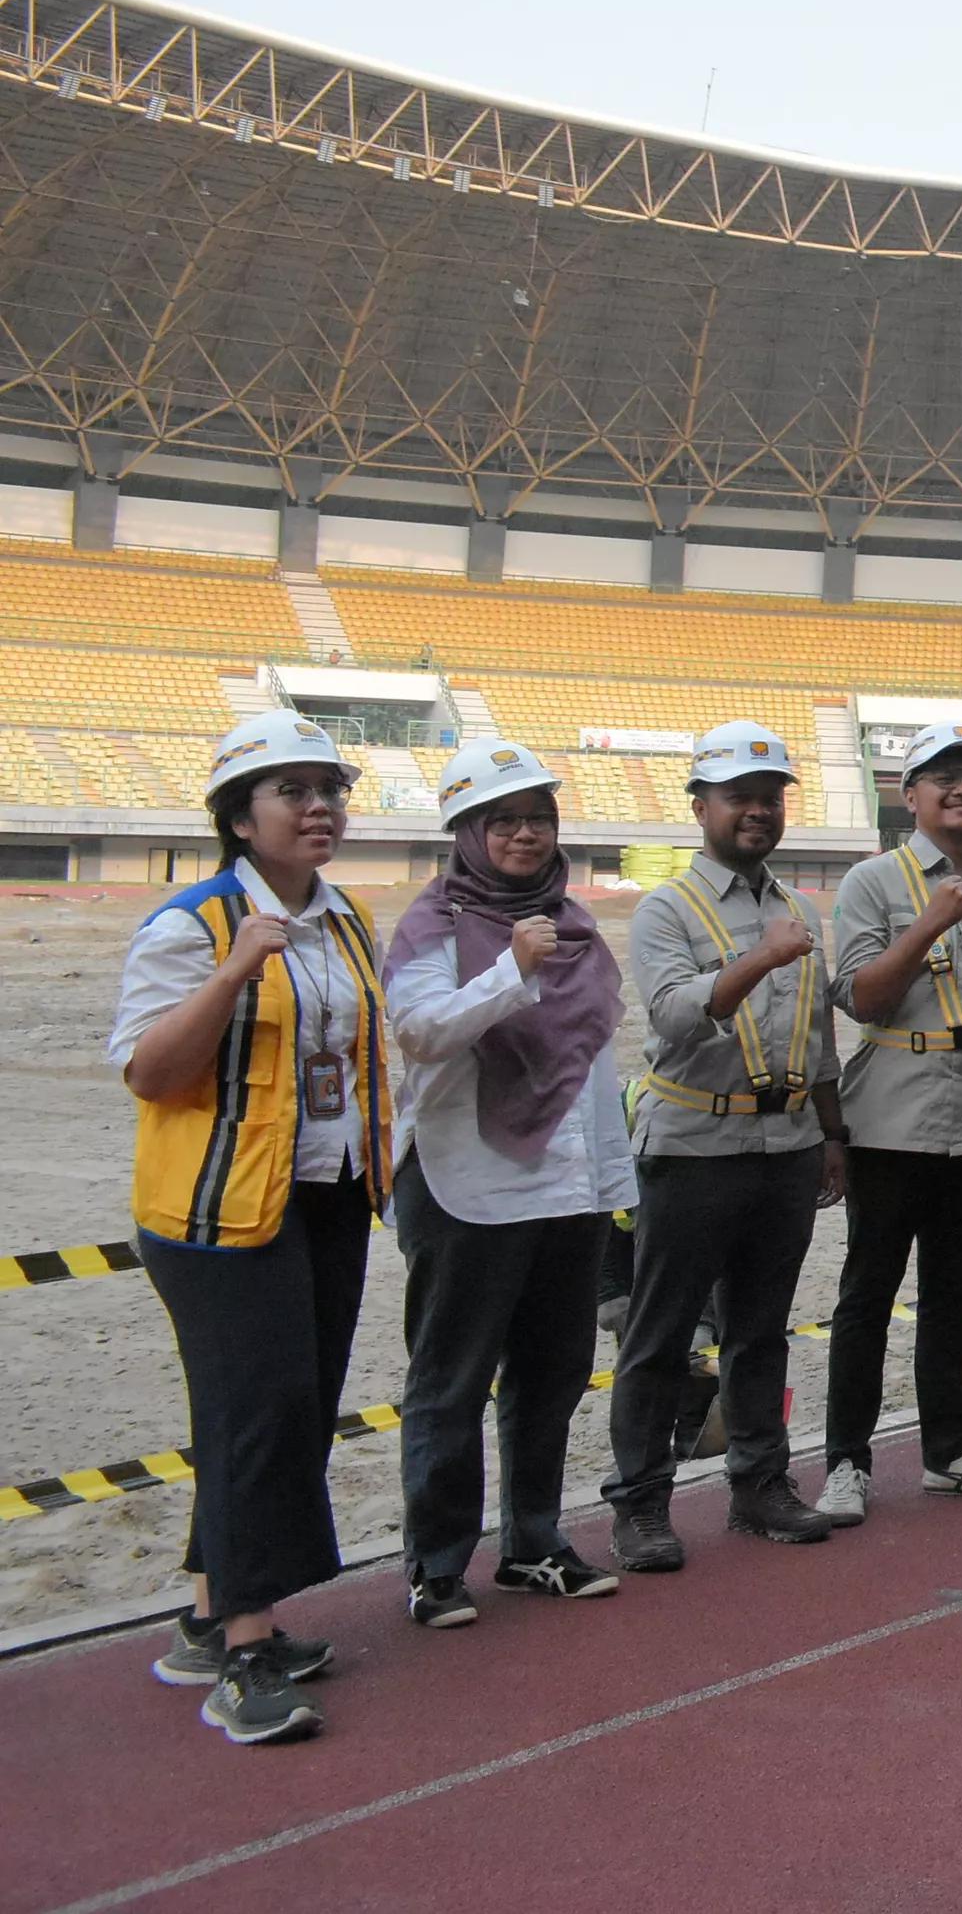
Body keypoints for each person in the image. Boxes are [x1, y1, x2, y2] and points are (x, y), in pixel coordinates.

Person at [111, 712, 388, 1746]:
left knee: (294, 1410)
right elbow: (146, 1069)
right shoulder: (193, 924)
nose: (321, 807)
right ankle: (245, 1646)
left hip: (322, 1195)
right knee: (257, 1412)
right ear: (239, 816)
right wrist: (234, 971)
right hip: (215, 1211)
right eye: (295, 791)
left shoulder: (346, 917)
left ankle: (201, 1615)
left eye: (331, 789)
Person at [385, 741, 636, 1630]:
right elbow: (417, 1031)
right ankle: (437, 1565)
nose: (526, 834)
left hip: (565, 1191)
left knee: (551, 1374)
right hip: (468, 1183)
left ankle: (533, 1542)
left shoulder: (572, 923)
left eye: (539, 817)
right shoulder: (435, 927)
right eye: (505, 820)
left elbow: (591, 1066)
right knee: (449, 1379)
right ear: (466, 832)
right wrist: (509, 973)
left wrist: (613, 1177)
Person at [603, 720, 845, 1569]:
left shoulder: (795, 906)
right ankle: (638, 1503)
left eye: (770, 796)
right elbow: (672, 1014)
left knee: (761, 1328)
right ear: (700, 804)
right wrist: (760, 957)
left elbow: (815, 1034)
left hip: (784, 1143)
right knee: (661, 1332)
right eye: (739, 796)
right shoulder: (668, 907)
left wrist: (830, 1131)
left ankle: (759, 1484)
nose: (757, 810)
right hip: (693, 1143)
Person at [818, 722, 962, 1524]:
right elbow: (864, 999)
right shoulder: (873, 882)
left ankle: (949, 1450)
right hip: (888, 1119)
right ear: (908, 795)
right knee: (866, 1296)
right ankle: (846, 1462)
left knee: (953, 1297)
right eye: (941, 776)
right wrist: (929, 924)